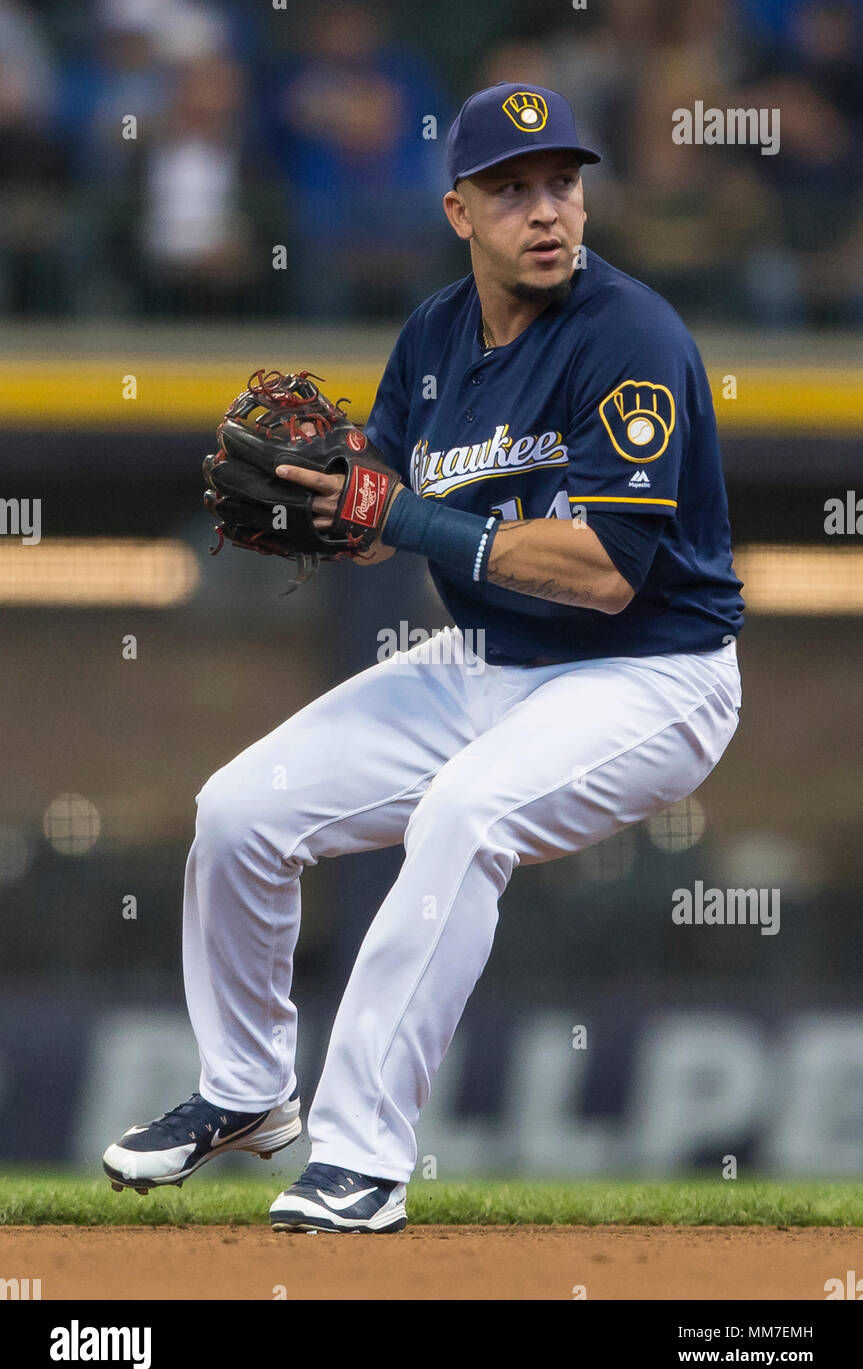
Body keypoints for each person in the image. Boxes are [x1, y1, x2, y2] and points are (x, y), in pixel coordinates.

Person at [103, 83, 743, 1233]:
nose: (545, 211)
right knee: (241, 809)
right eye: (511, 189)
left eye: (562, 184)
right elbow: (374, 513)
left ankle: (361, 1161)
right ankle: (247, 1092)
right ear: (458, 210)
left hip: (651, 672)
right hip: (485, 661)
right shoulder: (432, 337)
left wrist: (395, 514)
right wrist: (322, 507)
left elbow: (605, 571)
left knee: (465, 815)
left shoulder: (630, 336)